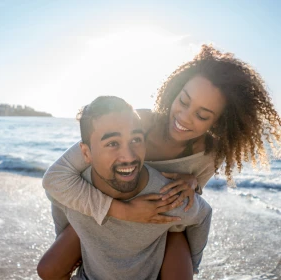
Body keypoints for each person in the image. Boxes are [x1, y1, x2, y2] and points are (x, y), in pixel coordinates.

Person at [39, 45, 281, 279]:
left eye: (202, 115)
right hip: (104, 209)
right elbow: (57, 177)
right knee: (49, 269)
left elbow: (191, 204)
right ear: (174, 91)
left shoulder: (209, 155)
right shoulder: (135, 123)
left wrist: (193, 183)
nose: (184, 118)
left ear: (217, 122)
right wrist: (122, 211)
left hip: (159, 226)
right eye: (184, 101)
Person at [39, 96, 213, 280]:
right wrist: (77, 240)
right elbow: (56, 197)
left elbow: (202, 215)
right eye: (112, 143)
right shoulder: (75, 188)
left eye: (136, 139)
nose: (128, 156)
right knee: (46, 270)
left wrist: (191, 264)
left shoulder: (163, 195)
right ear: (86, 153)